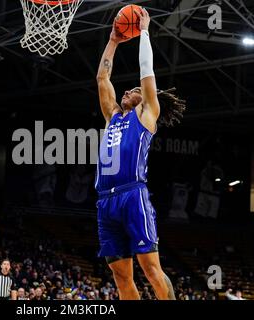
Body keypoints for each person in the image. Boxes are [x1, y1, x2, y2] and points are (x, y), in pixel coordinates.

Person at [95, 8, 186, 300]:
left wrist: (144, 32)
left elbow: (147, 74)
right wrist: (113, 41)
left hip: (133, 195)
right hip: (106, 201)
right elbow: (101, 78)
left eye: (133, 90)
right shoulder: (112, 117)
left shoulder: (147, 114)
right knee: (121, 277)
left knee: (151, 270)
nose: (127, 91)